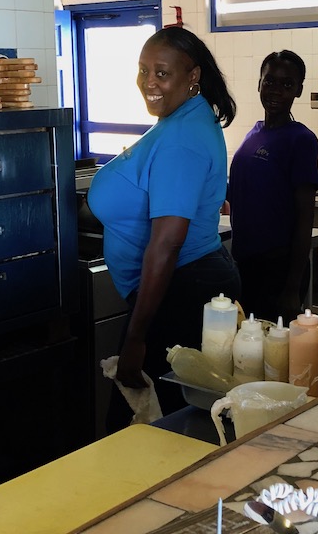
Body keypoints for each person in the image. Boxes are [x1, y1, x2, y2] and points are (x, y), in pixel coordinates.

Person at [87, 26, 241, 427]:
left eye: (161, 73)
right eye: (143, 71)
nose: (149, 83)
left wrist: (137, 338)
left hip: (177, 295)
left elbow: (168, 242)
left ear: (193, 76)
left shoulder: (181, 137)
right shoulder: (182, 119)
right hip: (180, 288)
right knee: (166, 424)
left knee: (153, 430)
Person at [228, 50, 318, 324]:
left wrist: (291, 288)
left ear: (299, 91)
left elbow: (305, 219)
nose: (276, 90)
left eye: (287, 84)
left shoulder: (300, 140)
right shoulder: (253, 134)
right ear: (259, 83)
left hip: (279, 269)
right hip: (245, 263)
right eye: (269, 81)